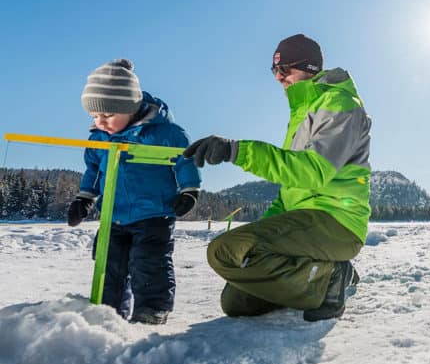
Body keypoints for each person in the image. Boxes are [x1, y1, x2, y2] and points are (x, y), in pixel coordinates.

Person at [184, 33, 371, 321]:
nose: (279, 77)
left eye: (286, 69)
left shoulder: (340, 104)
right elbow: (291, 189)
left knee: (224, 251)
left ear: (309, 68)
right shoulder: (301, 112)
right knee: (235, 302)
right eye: (275, 70)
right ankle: (316, 275)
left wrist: (237, 151)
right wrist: (267, 227)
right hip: (303, 224)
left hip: (336, 222)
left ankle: (333, 274)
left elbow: (313, 172)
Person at [67, 59, 201, 325]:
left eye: (107, 115)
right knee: (109, 265)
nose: (100, 122)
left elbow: (186, 160)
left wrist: (189, 191)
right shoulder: (98, 139)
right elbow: (93, 170)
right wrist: (84, 198)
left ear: (129, 107)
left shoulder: (165, 134)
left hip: (154, 214)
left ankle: (151, 309)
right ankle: (107, 312)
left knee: (148, 263)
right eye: (95, 116)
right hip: (112, 216)